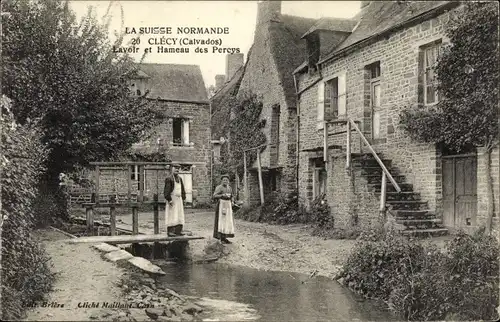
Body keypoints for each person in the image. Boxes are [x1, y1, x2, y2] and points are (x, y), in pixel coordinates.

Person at [163, 164, 186, 236]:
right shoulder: (169, 179)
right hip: (172, 199)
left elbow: (182, 190)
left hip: (179, 199)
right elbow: (166, 191)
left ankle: (178, 231)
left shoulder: (180, 179)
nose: (177, 170)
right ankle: (170, 231)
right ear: (172, 169)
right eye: (175, 168)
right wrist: (169, 199)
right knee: (172, 215)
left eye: (178, 168)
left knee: (179, 214)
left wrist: (184, 198)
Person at [213, 174, 235, 244]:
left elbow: (232, 196)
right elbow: (214, 195)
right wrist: (222, 195)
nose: (225, 181)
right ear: (221, 181)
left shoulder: (229, 188)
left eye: (226, 180)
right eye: (224, 180)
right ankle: (220, 237)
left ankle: (225, 238)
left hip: (228, 205)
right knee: (221, 221)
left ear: (228, 181)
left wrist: (232, 201)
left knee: (227, 221)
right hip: (221, 205)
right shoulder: (219, 187)